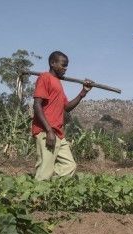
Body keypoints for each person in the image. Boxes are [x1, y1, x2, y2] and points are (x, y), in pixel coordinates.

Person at [32, 51, 92, 180]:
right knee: (45, 169)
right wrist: (48, 130)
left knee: (69, 166)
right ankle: (38, 193)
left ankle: (48, 186)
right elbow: (37, 105)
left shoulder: (58, 83)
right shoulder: (45, 77)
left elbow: (67, 107)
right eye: (63, 65)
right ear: (53, 63)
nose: (65, 69)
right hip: (46, 131)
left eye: (67, 66)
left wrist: (83, 92)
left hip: (58, 132)